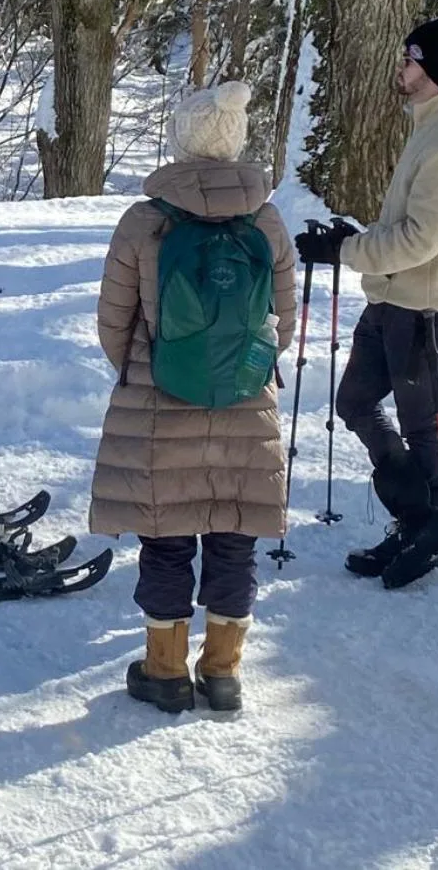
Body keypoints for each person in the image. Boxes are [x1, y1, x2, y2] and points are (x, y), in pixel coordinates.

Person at [90, 81, 296, 713]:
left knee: (167, 537)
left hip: (160, 403)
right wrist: (247, 366)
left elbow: (113, 322)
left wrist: (144, 368)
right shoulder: (266, 219)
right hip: (245, 398)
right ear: (233, 143)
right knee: (235, 536)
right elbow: (282, 319)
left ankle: (165, 673)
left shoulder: (145, 221)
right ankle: (224, 672)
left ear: (182, 139)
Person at [297, 15, 438, 590]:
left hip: (424, 309)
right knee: (356, 401)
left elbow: (421, 241)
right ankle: (422, 521)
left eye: (409, 61)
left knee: (421, 426)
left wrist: (347, 251)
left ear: (431, 70)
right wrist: (350, 240)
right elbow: (410, 227)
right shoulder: (432, 125)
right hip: (394, 299)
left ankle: (431, 529)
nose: (401, 71)